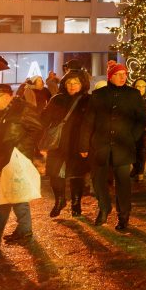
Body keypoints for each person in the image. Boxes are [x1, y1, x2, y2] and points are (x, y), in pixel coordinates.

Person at [79, 63, 146, 231]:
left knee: (123, 183)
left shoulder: (133, 95)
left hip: (123, 147)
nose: (123, 77)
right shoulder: (98, 95)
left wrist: (132, 136)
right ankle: (104, 207)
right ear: (110, 76)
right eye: (119, 74)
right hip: (100, 145)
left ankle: (123, 215)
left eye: (125, 74)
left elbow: (141, 119)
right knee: (98, 180)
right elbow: (88, 121)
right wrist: (84, 144)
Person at [0, 84, 43, 247]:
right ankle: (24, 230)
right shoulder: (5, 110)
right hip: (9, 158)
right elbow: (2, 135)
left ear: (5, 96)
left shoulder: (23, 108)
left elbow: (38, 129)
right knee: (15, 195)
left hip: (18, 159)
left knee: (5, 197)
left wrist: (22, 147)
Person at [41, 70, 91, 217]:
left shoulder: (87, 100)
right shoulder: (57, 99)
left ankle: (76, 203)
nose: (72, 85)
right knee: (55, 174)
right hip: (57, 144)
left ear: (82, 84)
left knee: (77, 175)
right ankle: (60, 200)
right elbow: (44, 119)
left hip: (77, 144)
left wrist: (86, 145)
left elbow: (90, 124)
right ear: (64, 84)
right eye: (69, 83)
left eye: (76, 82)